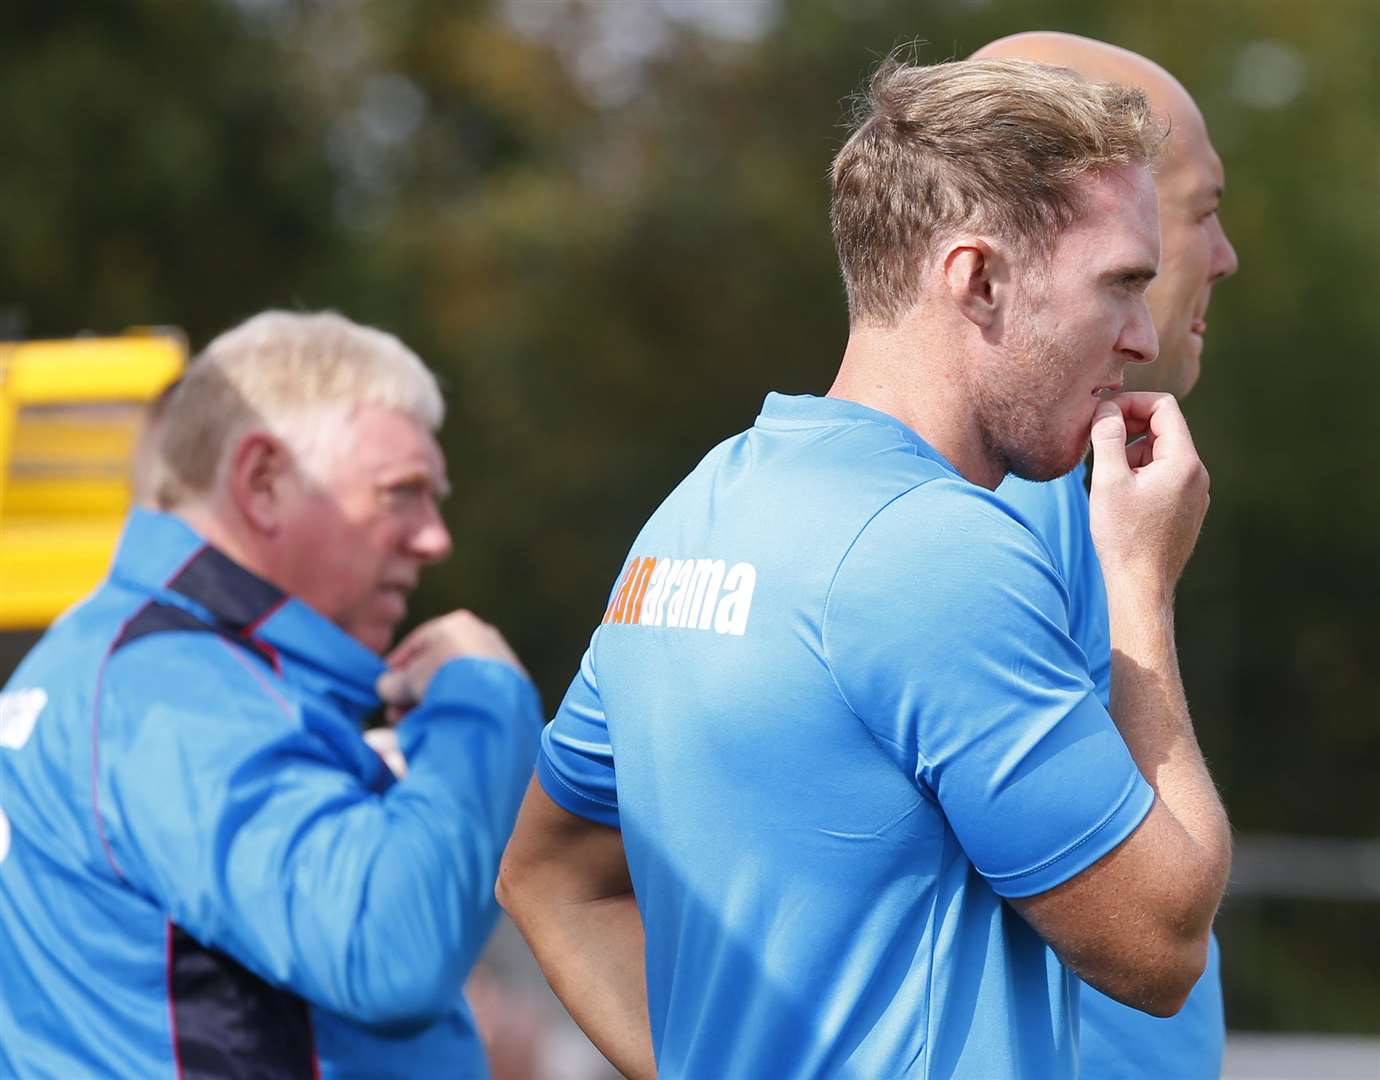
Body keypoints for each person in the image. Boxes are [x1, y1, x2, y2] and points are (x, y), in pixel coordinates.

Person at [497, 57, 1231, 1079]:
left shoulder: (704, 504)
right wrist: (1138, 583)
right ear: (977, 280)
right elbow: (1159, 948)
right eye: (1120, 285)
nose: (1144, 338)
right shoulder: (937, 553)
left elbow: (549, 876)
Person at [0, 311, 540, 1078]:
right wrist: (483, 705)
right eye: (402, 493)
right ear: (261, 483)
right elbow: (387, 946)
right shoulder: (173, 695)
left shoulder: (113, 658)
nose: (434, 537)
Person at [973, 31, 1240, 1080]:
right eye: (1203, 210)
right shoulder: (1013, 507)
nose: (1224, 257)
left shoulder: (1086, 486)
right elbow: (1155, 946)